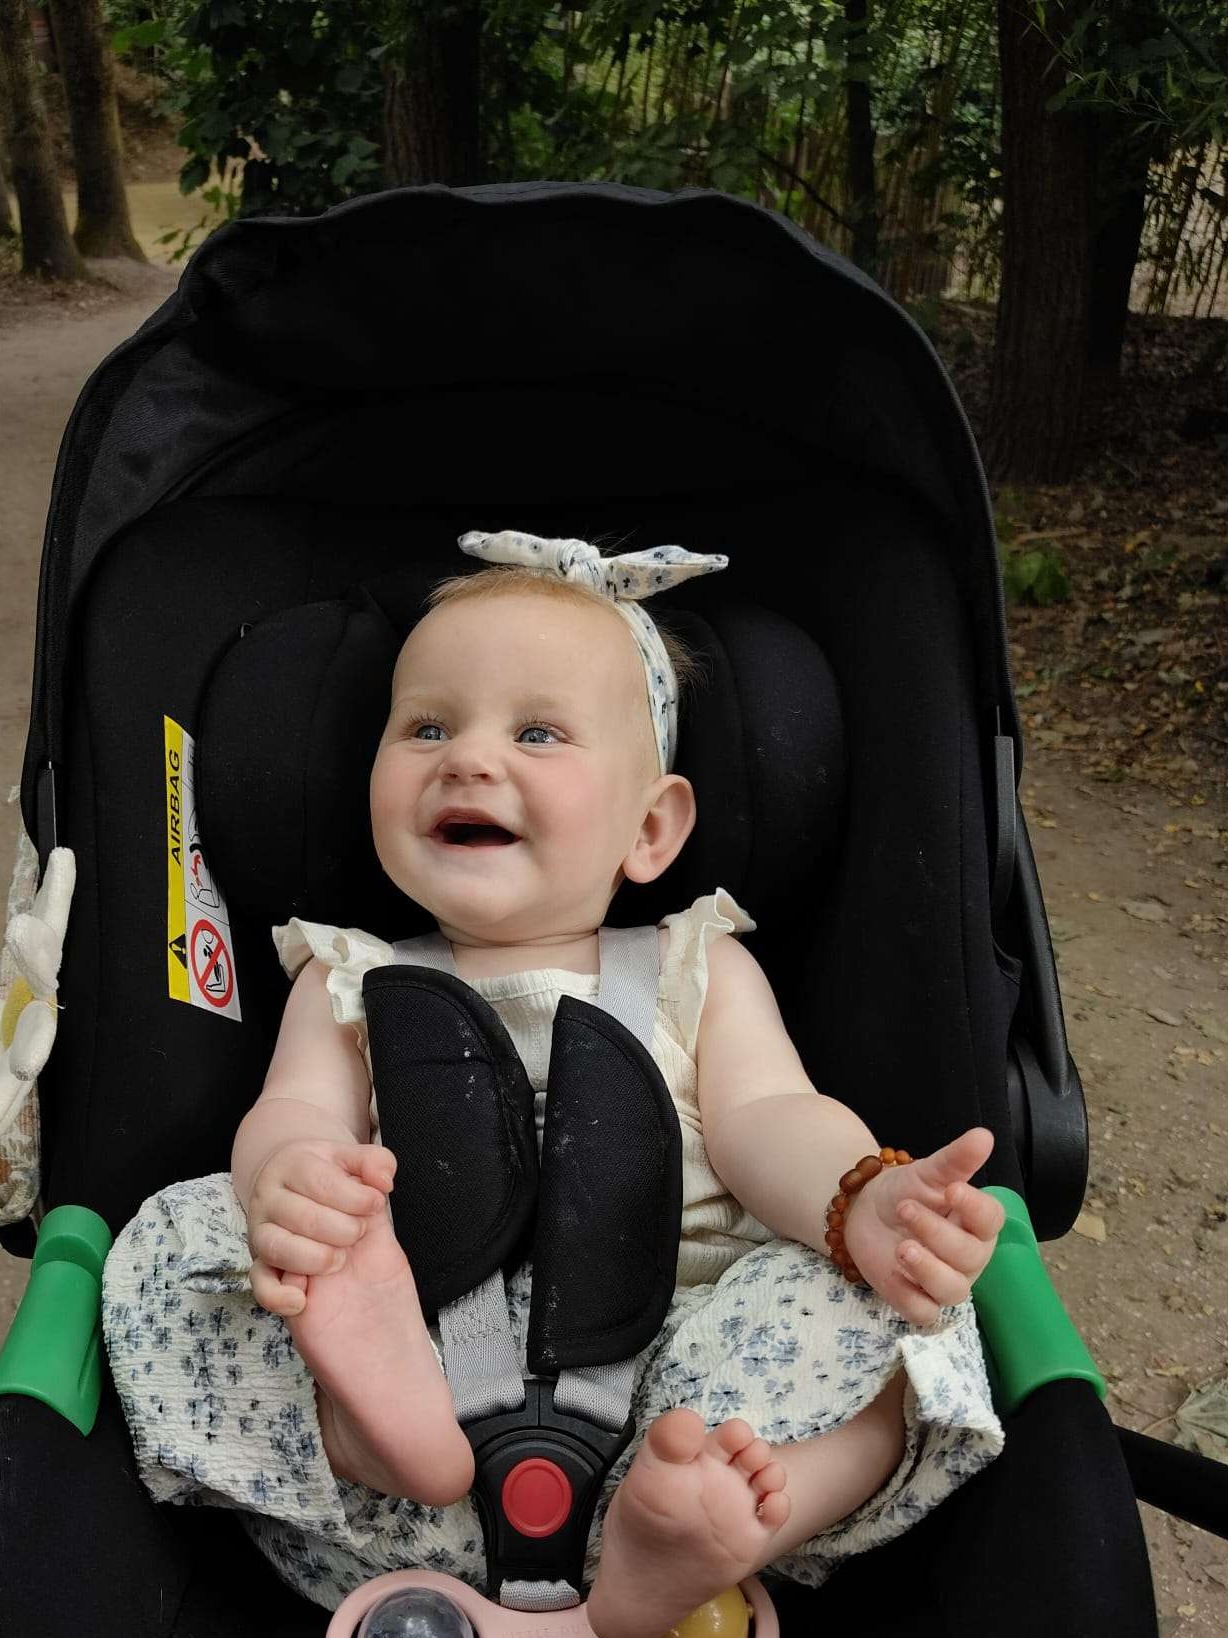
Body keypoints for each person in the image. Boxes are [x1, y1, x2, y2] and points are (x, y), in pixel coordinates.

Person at [103, 531, 1005, 1634]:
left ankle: (710, 1529)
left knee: (902, 1312)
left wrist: (860, 1199)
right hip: (406, 1444)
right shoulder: (347, 980)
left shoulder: (698, 965)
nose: (468, 759)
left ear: (651, 827)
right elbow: (289, 1115)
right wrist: (294, 1181)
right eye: (426, 725)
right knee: (174, 1242)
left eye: (536, 732)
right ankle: (376, 1431)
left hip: (685, 1394)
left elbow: (772, 1118)